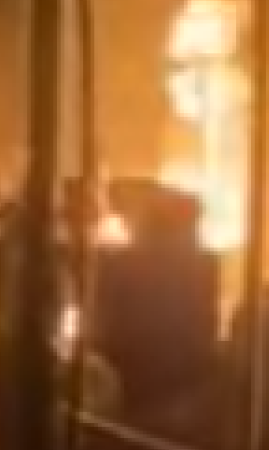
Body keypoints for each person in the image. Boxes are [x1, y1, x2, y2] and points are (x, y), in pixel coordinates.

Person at [91, 179, 220, 422]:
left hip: (134, 380)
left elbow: (102, 326)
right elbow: (204, 326)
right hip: (180, 382)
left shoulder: (122, 264)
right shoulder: (203, 265)